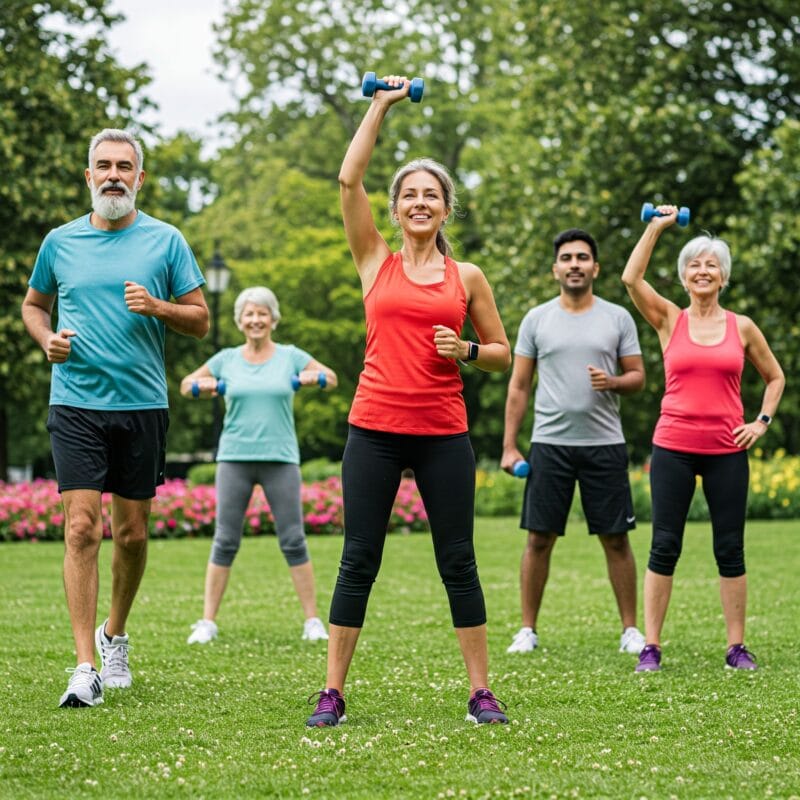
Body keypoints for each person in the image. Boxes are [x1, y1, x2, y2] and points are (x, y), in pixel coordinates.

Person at [305, 75, 512, 728]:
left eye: (431, 195)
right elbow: (347, 181)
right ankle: (333, 691)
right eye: (409, 195)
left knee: (458, 559)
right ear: (394, 210)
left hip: (443, 432)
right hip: (374, 429)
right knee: (359, 556)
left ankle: (481, 691)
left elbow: (502, 349)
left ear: (446, 210)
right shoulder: (374, 260)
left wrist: (469, 353)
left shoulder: (466, 277)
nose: (420, 203)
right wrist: (380, 105)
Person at [22, 128, 209, 708]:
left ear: (139, 178)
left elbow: (200, 320)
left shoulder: (167, 240)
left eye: (124, 166)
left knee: (131, 534)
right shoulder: (59, 242)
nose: (113, 175)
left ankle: (114, 635)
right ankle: (84, 666)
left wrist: (158, 307)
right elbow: (34, 305)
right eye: (102, 165)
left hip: (143, 404)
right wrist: (46, 337)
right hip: (75, 401)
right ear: (87, 176)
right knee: (81, 527)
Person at [622, 206, 784, 673]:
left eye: (711, 263)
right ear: (683, 276)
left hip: (727, 450)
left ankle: (736, 647)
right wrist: (657, 226)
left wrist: (762, 422)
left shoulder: (743, 327)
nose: (702, 270)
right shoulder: (669, 319)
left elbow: (775, 378)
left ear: (724, 276)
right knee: (664, 545)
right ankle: (650, 646)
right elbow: (632, 279)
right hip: (673, 445)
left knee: (730, 547)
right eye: (694, 264)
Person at [502, 229, 647, 657]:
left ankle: (630, 630)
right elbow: (519, 385)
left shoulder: (617, 317)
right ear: (555, 269)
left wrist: (614, 382)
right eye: (566, 258)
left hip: (605, 444)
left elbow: (638, 378)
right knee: (539, 539)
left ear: (595, 268)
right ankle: (527, 630)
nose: (575, 264)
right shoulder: (536, 319)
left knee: (617, 539)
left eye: (583, 257)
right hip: (550, 444)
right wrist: (510, 446)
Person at [180, 286, 337, 646]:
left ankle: (312, 620)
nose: (255, 320)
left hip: (280, 458)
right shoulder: (227, 359)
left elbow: (332, 378)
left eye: (262, 314)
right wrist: (207, 387)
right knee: (225, 541)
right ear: (239, 321)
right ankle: (207, 622)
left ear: (273, 320)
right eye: (249, 314)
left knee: (294, 540)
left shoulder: (290, 356)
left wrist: (316, 378)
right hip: (234, 456)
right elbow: (187, 382)